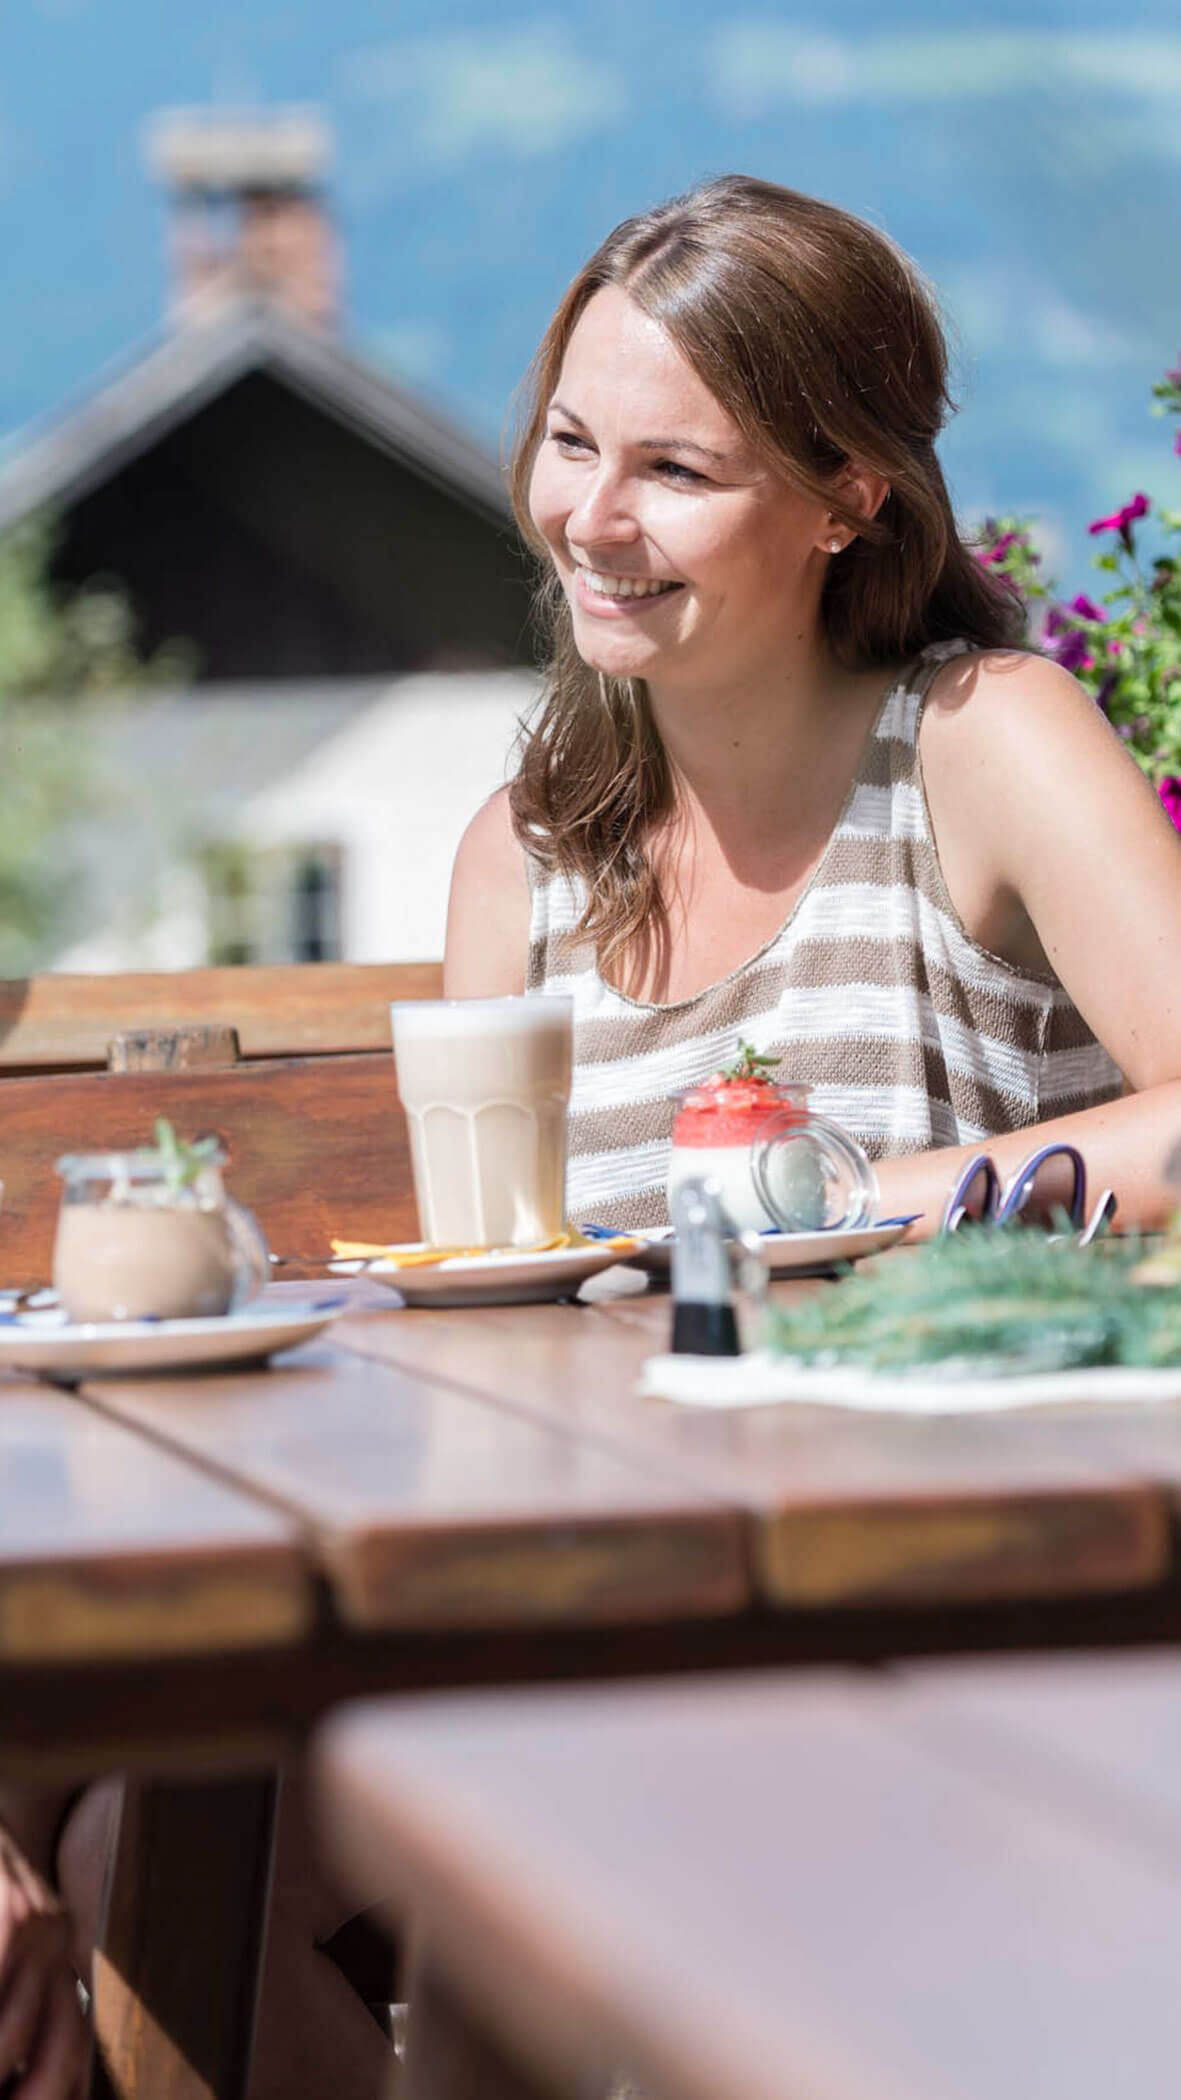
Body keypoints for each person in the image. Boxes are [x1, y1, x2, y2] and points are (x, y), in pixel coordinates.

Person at [445, 174, 1181, 1231]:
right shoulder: (522, 864)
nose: (591, 520)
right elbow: (485, 1264)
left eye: (674, 470)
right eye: (571, 444)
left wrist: (820, 1201)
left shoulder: (983, 741)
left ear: (844, 498)